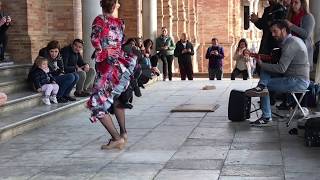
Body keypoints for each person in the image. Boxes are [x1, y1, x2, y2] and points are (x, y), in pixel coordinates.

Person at [87, 0, 137, 150]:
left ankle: (116, 138)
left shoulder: (99, 20)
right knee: (116, 97)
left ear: (101, 5)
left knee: (96, 104)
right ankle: (123, 133)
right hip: (120, 64)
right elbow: (120, 41)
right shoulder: (120, 22)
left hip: (106, 66)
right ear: (115, 6)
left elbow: (95, 40)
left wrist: (101, 51)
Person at [245, 20, 310, 126]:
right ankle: (260, 86)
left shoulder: (290, 45)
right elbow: (279, 64)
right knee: (266, 71)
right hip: (293, 77)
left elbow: (281, 68)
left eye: (275, 31)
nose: (273, 34)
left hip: (298, 81)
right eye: (272, 32)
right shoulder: (293, 40)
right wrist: (258, 58)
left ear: (284, 30)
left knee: (265, 83)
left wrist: (261, 64)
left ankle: (266, 116)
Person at [250, 0, 286, 74]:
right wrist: (256, 21)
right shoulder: (266, 9)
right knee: (260, 64)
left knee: (271, 63)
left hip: (274, 41)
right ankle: (263, 82)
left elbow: (275, 25)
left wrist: (258, 20)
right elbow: (262, 25)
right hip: (265, 41)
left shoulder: (280, 9)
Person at [286, 0, 315, 70]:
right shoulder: (289, 16)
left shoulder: (308, 17)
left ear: (302, 3)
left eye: (296, 2)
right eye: (292, 3)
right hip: (290, 50)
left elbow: (306, 34)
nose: (293, 5)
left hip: (303, 52)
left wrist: (291, 26)